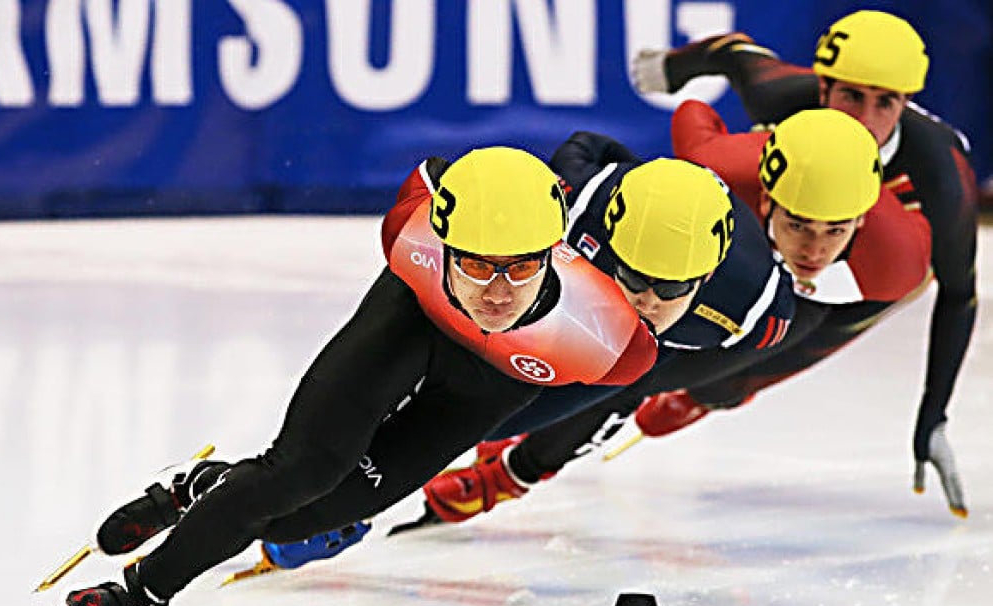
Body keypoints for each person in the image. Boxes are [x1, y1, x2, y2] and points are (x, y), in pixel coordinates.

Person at [37, 147, 663, 606]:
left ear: (554, 252)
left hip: (482, 389)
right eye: (475, 264)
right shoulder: (408, 234)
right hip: (413, 320)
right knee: (300, 473)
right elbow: (429, 172)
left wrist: (519, 456)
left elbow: (570, 407)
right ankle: (142, 594)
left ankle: (202, 487)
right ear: (442, 241)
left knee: (312, 518)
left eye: (521, 265)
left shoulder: (609, 340)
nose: (498, 291)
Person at [226, 145, 798, 574]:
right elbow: (585, 147)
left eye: (671, 289)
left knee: (544, 409)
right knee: (446, 378)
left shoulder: (755, 313)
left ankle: (378, 500)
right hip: (556, 313)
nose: (645, 300)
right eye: (629, 277)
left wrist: (518, 471)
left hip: (651, 354)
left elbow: (636, 385)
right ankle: (322, 485)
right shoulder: (581, 204)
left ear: (708, 278)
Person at [421, 105, 933, 525]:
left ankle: (512, 476)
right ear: (768, 192)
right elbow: (665, 120)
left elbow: (816, 339)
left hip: (766, 316)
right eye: (798, 224)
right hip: (691, 245)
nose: (813, 248)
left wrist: (712, 392)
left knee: (631, 378)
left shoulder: (890, 265)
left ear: (862, 220)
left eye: (835, 231)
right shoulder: (716, 164)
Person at [632, 10, 978, 515]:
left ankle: (715, 393)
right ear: (822, 89)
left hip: (879, 258)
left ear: (906, 105)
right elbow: (733, 51)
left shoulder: (941, 175)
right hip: (787, 218)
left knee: (737, 370)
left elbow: (958, 293)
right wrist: (673, 67)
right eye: (851, 96)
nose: (864, 118)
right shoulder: (780, 95)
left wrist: (934, 416)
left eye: (886, 103)